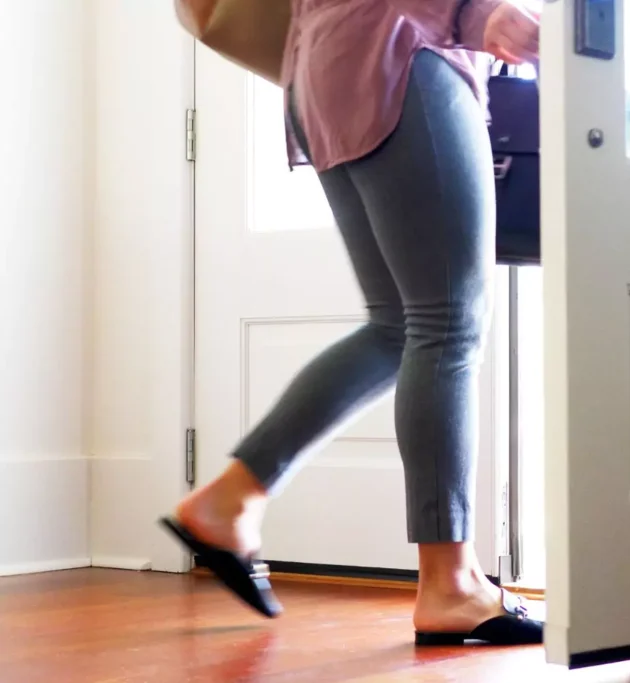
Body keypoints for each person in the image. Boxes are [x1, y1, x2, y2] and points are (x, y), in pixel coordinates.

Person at [162, 0, 542, 646]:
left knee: (399, 326)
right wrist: (480, 15)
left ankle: (230, 499)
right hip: (402, 54)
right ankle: (449, 579)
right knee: (446, 323)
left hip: (326, 67)